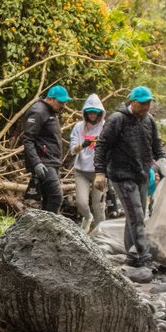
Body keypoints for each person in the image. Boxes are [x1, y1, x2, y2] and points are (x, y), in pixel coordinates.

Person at [94, 86, 166, 270]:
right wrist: (100, 173)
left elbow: (157, 146)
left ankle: (131, 255)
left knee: (135, 215)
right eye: (142, 104)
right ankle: (144, 256)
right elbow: (101, 146)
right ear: (133, 102)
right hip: (121, 174)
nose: (146, 107)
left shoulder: (149, 120)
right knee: (136, 214)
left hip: (141, 174)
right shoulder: (117, 119)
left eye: (148, 103)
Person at [22, 85, 71, 212]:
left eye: (64, 102)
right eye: (60, 102)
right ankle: (50, 227)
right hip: (44, 162)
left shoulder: (51, 111)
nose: (63, 105)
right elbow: (28, 139)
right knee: (56, 197)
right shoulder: (38, 111)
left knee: (49, 198)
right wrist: (36, 163)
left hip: (52, 161)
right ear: (50, 99)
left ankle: (44, 229)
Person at [68, 93, 106, 232]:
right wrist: (83, 145)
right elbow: (72, 149)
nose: (92, 115)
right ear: (85, 112)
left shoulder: (105, 127)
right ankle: (87, 217)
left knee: (98, 204)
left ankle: (101, 232)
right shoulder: (79, 127)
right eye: (89, 112)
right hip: (81, 170)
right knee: (82, 203)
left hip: (99, 172)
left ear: (100, 113)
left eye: (95, 112)